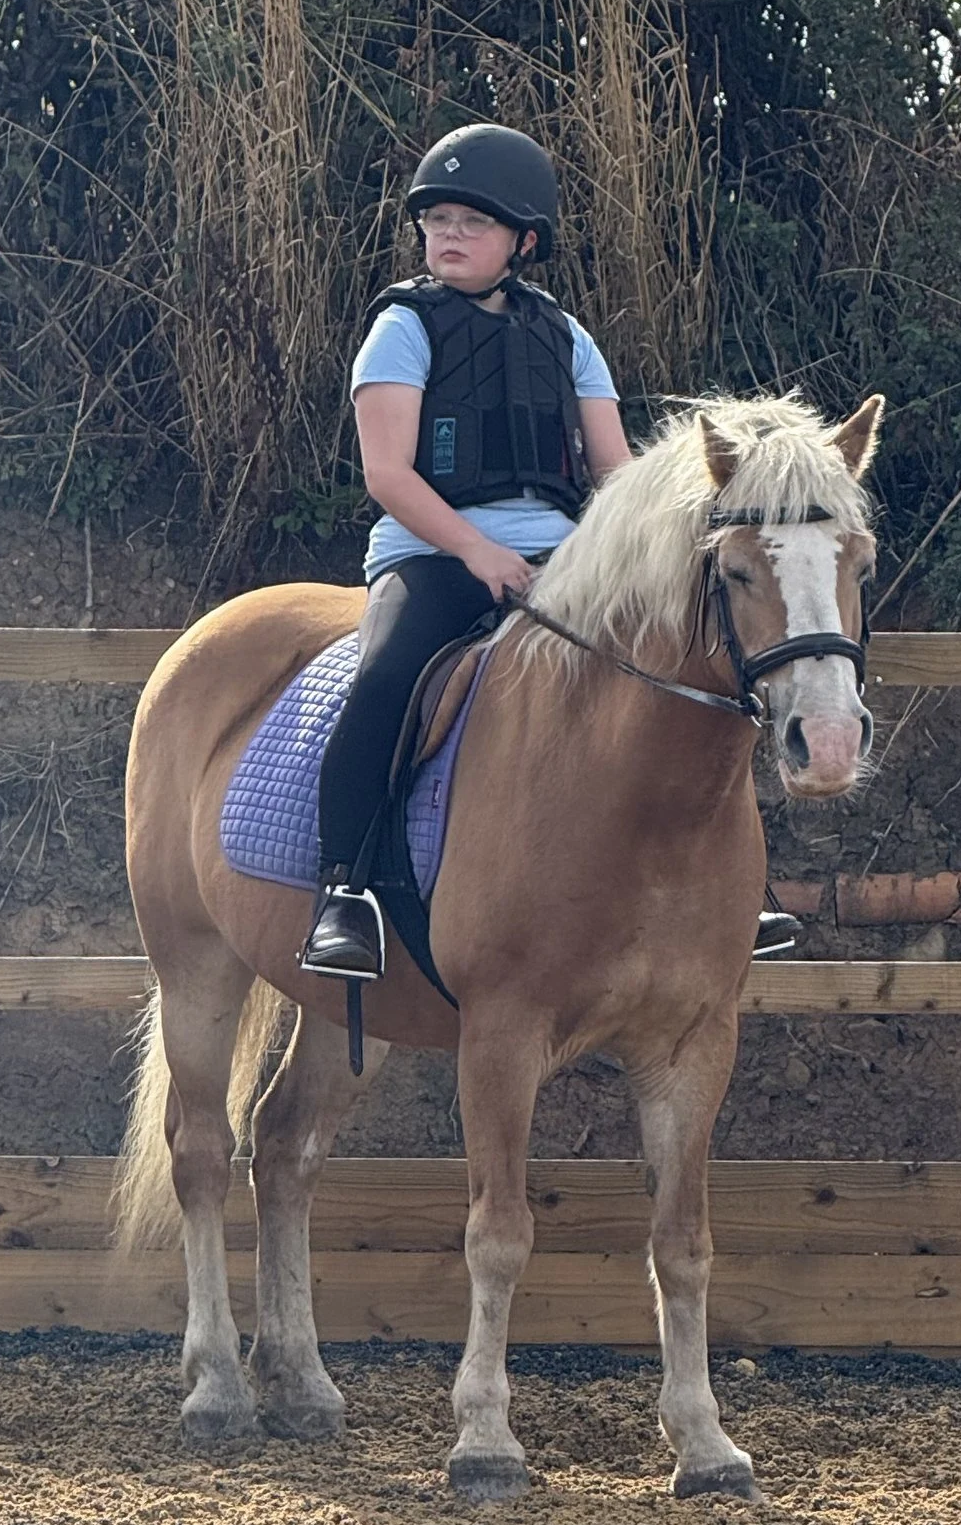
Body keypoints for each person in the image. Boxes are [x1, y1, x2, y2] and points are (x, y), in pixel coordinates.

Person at [298, 123, 797, 981]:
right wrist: (477, 550)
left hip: (565, 564)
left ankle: (730, 893)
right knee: (384, 677)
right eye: (438, 218)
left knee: (697, 674)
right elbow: (387, 472)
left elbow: (616, 473)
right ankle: (345, 893)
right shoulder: (403, 328)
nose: (449, 234)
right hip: (431, 554)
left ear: (523, 241)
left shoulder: (566, 337)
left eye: (474, 221)